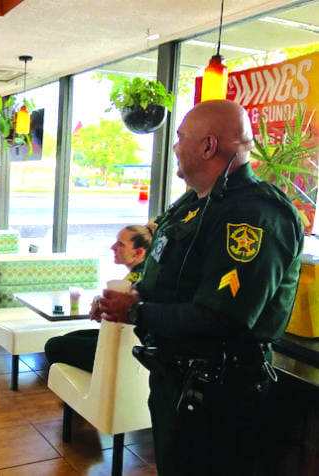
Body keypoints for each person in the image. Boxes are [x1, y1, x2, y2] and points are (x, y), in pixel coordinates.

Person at [97, 100, 304, 476]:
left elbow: (221, 316)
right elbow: (172, 277)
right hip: (175, 381)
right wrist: (134, 295)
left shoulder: (252, 216)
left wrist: (135, 312)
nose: (174, 147)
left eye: (180, 137)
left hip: (219, 397)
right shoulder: (193, 204)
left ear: (208, 147)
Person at [44, 223, 155, 372]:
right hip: (126, 341)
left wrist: (100, 303)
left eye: (120, 244)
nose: (113, 247)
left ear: (138, 253)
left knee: (53, 346)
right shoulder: (142, 273)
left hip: (125, 350)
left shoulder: (137, 278)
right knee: (68, 338)